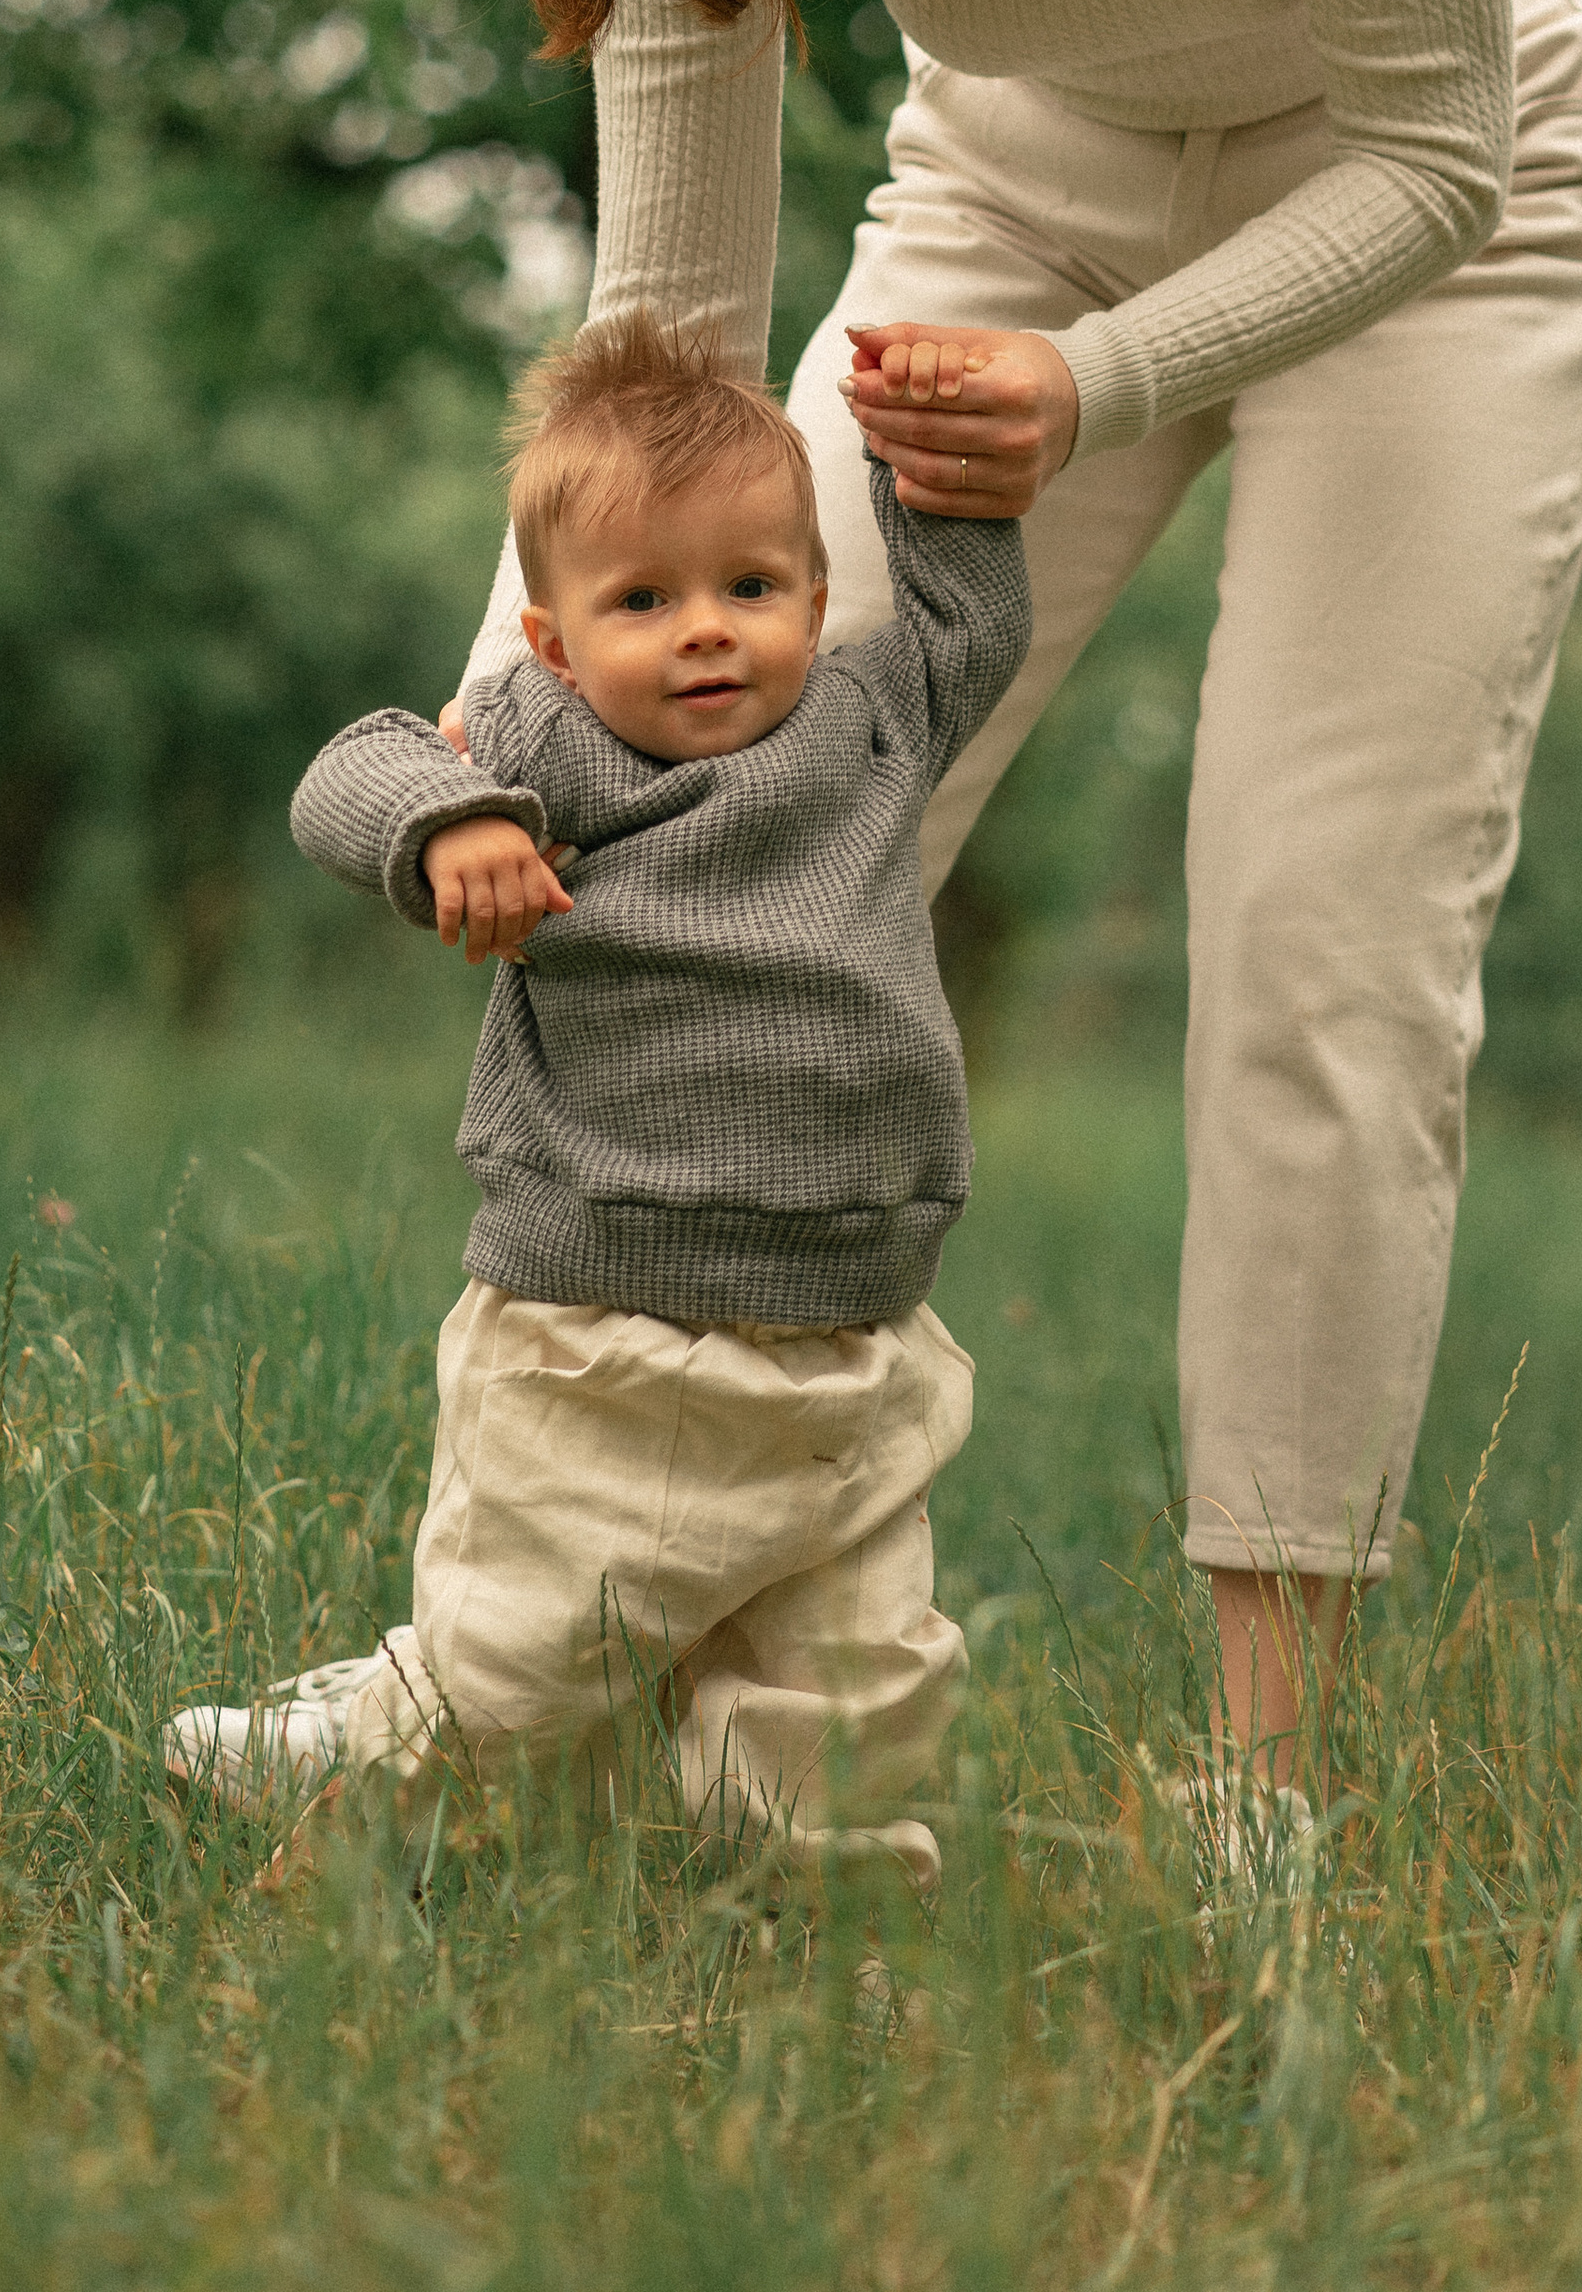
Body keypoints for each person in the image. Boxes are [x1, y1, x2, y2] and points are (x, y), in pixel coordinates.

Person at [430, 0, 1582, 1815]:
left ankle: (1269, 1781)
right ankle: (559, 1627)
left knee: (1318, 930)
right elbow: (663, 372)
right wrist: (488, 742)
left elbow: (1436, 158)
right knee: (692, 814)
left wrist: (1095, 390)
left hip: (1441, 202)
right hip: (1029, 185)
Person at [166, 314, 1031, 1896]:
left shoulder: (874, 724)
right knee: (523, 1652)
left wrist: (933, 460)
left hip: (852, 1328)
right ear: (554, 639)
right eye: (645, 599)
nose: (706, 630)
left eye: (750, 588)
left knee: (850, 1679)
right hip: (596, 1322)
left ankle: (803, 1891)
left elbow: (972, 614)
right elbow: (344, 773)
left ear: (818, 600)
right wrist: (447, 825)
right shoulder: (543, 744)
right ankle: (369, 1774)